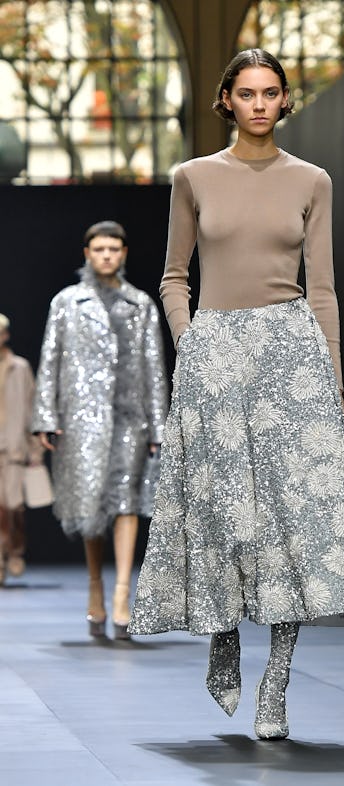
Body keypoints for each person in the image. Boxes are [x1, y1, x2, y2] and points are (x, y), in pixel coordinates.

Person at [129, 49, 344, 738]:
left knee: (288, 521)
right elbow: (172, 276)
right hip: (215, 353)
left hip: (290, 355)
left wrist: (333, 382)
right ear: (225, 100)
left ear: (285, 100)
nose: (258, 103)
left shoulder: (312, 181)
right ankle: (223, 636)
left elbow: (323, 290)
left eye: (270, 92)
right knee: (224, 512)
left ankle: (275, 682)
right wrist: (192, 344)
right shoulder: (193, 177)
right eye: (245, 92)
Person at [32, 221, 167, 639]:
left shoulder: (141, 304)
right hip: (81, 418)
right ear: (86, 253)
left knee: (126, 500)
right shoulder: (67, 303)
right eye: (99, 248)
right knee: (91, 507)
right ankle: (95, 589)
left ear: (124, 253)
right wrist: (45, 417)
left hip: (130, 415)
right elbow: (50, 359)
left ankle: (123, 592)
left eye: (114, 248)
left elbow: (154, 365)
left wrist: (158, 425)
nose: (107, 255)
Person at [0, 314, 43, 585]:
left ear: (6, 335)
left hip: (14, 448)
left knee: (14, 507)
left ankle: (14, 549)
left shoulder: (21, 367)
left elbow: (33, 409)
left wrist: (36, 450)